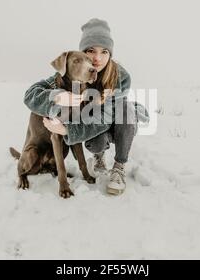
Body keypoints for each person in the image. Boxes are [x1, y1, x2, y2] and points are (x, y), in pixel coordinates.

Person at [24, 18, 149, 195]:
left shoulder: (119, 78)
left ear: (110, 54)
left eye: (104, 51)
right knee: (95, 142)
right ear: (82, 54)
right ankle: (98, 157)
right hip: (93, 125)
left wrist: (67, 131)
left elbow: (103, 121)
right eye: (91, 51)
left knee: (125, 111)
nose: (97, 58)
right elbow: (30, 95)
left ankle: (119, 166)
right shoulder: (74, 72)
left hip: (115, 122)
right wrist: (57, 96)